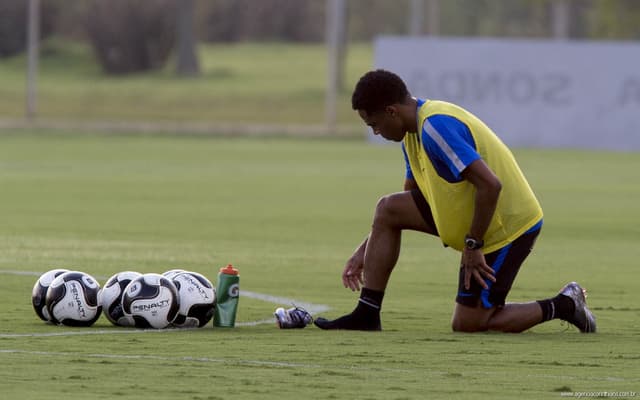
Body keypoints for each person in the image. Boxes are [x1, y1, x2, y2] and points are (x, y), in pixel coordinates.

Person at [313, 69, 596, 333]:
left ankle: (566, 304)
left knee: (468, 323)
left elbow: (490, 185)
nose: (375, 132)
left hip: (507, 228)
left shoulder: (436, 128)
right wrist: (365, 249)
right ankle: (367, 313)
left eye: (374, 124)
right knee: (388, 208)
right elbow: (410, 200)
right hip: (476, 222)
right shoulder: (411, 135)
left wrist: (473, 245)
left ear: (392, 111)